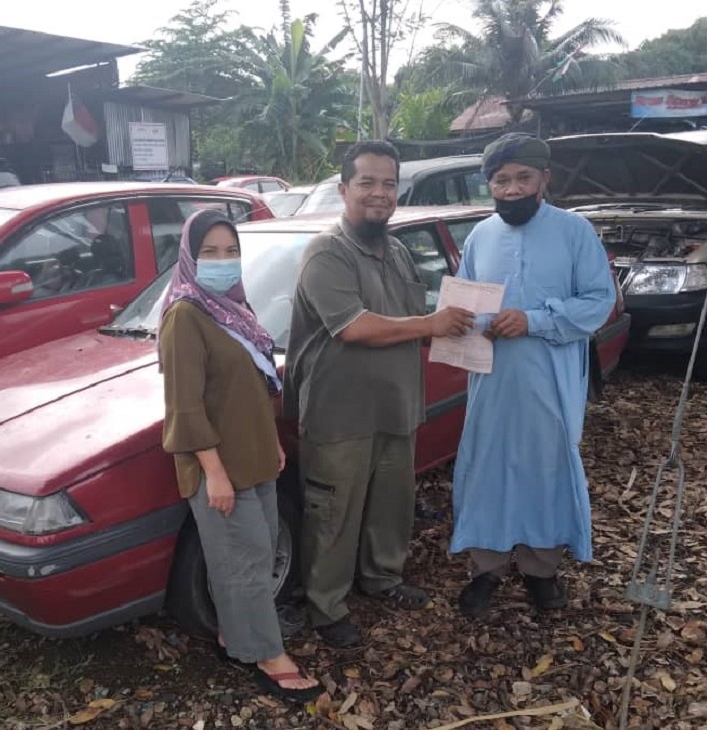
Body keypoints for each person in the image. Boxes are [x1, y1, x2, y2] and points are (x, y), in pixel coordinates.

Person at [284, 140, 475, 648]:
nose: (379, 192)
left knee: (392, 503)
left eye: (388, 183)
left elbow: (413, 325)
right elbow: (354, 328)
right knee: (334, 513)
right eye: (366, 182)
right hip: (338, 413)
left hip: (396, 404)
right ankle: (327, 606)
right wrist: (430, 322)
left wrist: (463, 329)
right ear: (343, 189)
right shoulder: (327, 251)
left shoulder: (397, 250)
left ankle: (383, 578)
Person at [451, 133, 616, 617]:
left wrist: (534, 319)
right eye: (501, 180)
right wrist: (471, 322)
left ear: (545, 179)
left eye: (523, 177)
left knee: (546, 469)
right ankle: (487, 568)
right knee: (488, 468)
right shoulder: (480, 236)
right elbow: (464, 303)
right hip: (491, 383)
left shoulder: (575, 232)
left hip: (549, 382)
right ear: (490, 186)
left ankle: (541, 570)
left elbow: (598, 303)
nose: (512, 188)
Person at [159, 209, 321, 704]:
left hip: (253, 455)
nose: (223, 261)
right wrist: (215, 475)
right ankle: (267, 655)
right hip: (217, 466)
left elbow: (252, 387)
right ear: (190, 257)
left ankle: (235, 634)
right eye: (210, 252)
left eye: (231, 252)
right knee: (244, 564)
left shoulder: (233, 309)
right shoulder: (185, 316)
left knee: (259, 548)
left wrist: (270, 441)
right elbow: (185, 407)